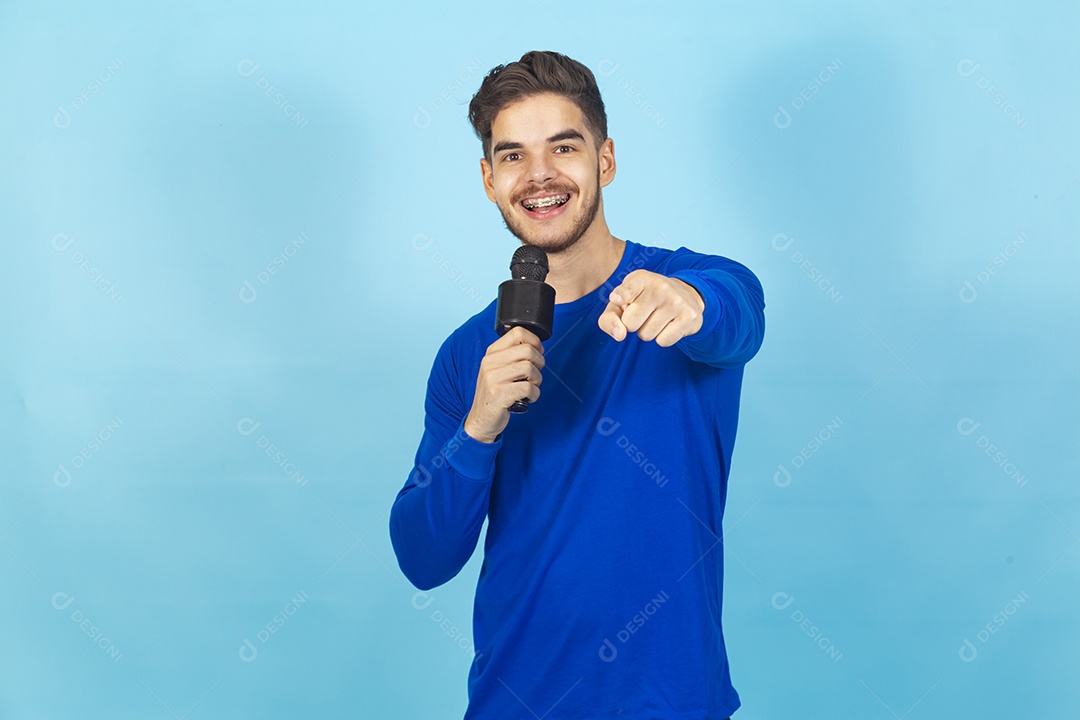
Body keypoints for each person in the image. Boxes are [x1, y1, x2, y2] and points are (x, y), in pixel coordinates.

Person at [390, 50, 765, 720]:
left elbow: (738, 317)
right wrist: (478, 427)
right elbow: (422, 556)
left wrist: (693, 307)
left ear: (606, 160)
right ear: (488, 178)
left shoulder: (688, 286)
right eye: (512, 156)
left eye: (563, 147)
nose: (539, 176)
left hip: (672, 702)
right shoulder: (469, 354)